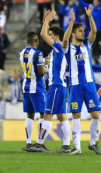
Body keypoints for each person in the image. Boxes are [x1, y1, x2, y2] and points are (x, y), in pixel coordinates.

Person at [62, 4, 101, 155]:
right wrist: (72, 23)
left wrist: (90, 16)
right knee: (76, 115)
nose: (83, 32)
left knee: (96, 115)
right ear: (74, 33)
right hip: (75, 85)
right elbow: (65, 40)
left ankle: (92, 143)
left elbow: (94, 31)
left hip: (89, 84)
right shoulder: (67, 49)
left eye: (82, 30)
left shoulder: (87, 45)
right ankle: (77, 147)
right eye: (80, 31)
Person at [33, 10, 71, 153]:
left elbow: (42, 34)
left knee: (47, 115)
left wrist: (47, 21)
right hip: (59, 86)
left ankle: (39, 144)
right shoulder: (55, 51)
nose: (47, 38)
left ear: (56, 37)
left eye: (50, 36)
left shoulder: (59, 47)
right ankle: (66, 146)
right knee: (62, 117)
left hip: (56, 86)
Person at [19, 32, 47, 152]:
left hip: (26, 86)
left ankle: (28, 143)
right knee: (43, 114)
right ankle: (39, 144)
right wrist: (46, 66)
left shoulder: (21, 52)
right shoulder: (38, 53)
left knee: (30, 115)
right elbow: (41, 73)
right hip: (37, 87)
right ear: (36, 40)